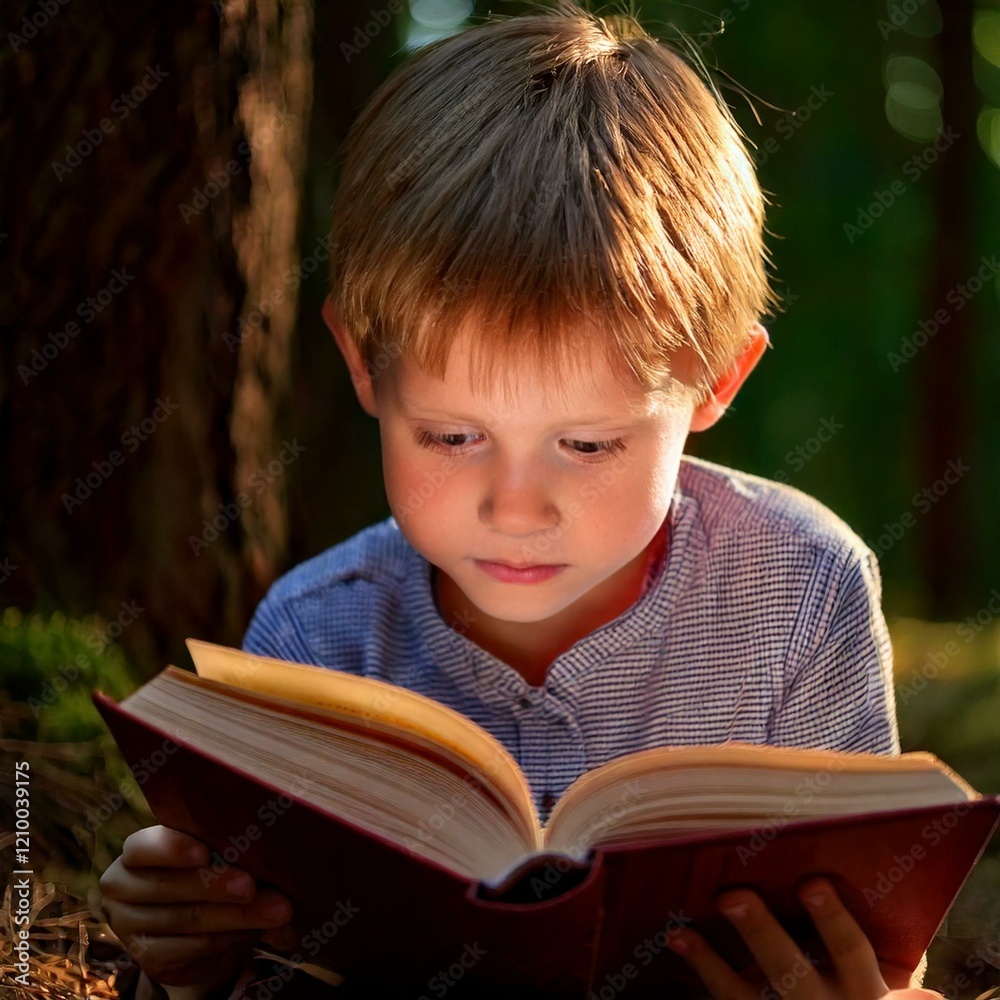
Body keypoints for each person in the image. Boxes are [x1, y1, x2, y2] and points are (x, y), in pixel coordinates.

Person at [100, 2, 946, 997]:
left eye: (586, 443)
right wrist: (187, 953)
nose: (514, 507)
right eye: (452, 437)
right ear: (363, 369)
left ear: (716, 381)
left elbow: (881, 932)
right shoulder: (318, 633)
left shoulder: (802, 592)